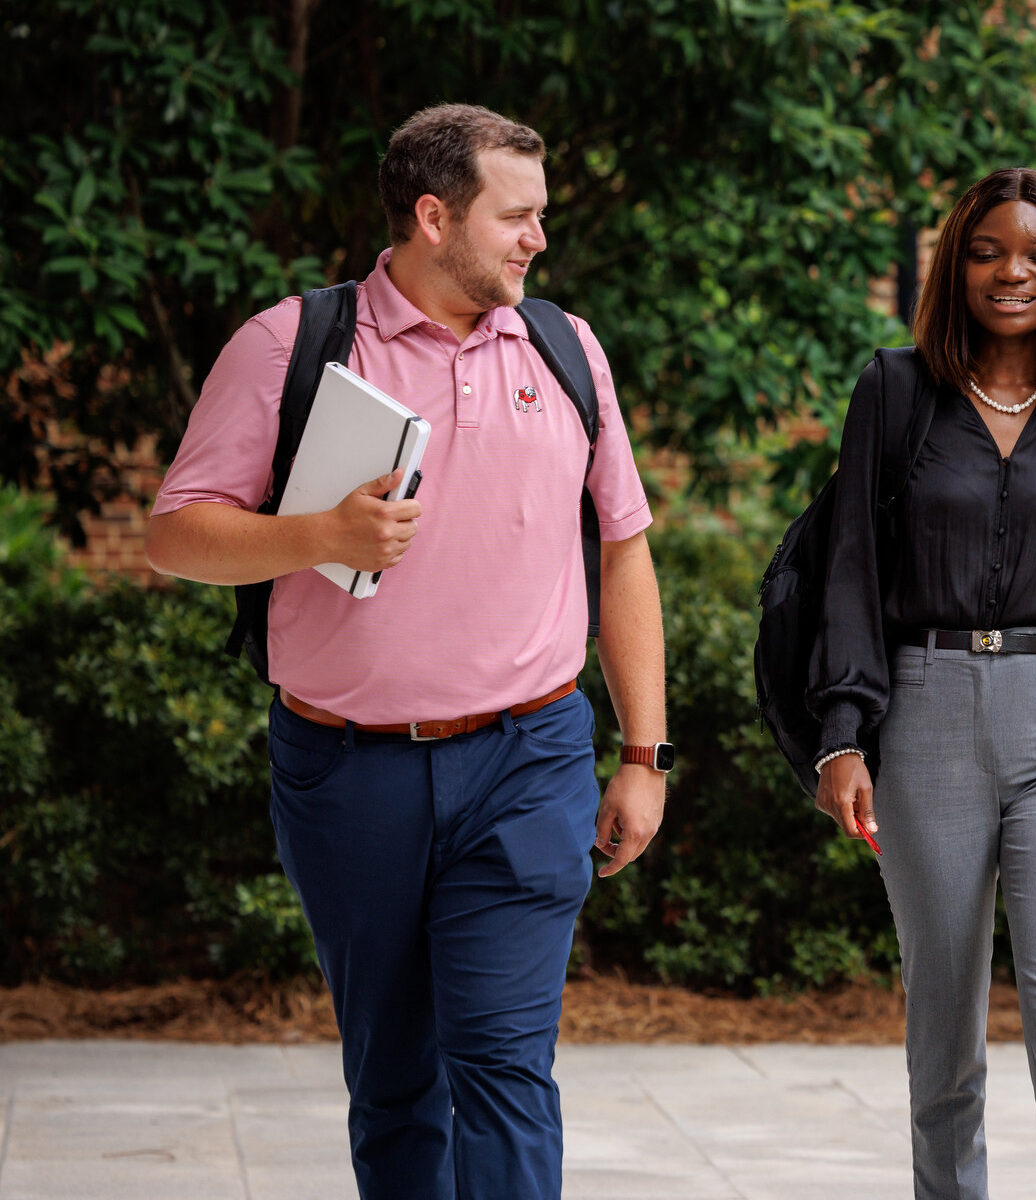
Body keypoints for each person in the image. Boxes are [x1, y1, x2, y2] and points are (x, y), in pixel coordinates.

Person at [145, 104, 666, 1200]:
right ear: (435, 216)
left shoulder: (565, 349)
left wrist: (643, 755)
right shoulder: (292, 345)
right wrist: (317, 536)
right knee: (394, 1080)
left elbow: (623, 552)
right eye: (515, 217)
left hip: (527, 759)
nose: (537, 239)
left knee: (505, 1065)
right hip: (346, 770)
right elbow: (175, 532)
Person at [808, 166, 1036, 1200]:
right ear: (955, 266)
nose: (1013, 271)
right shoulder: (895, 392)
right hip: (924, 714)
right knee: (945, 1028)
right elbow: (852, 568)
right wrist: (844, 733)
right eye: (987, 251)